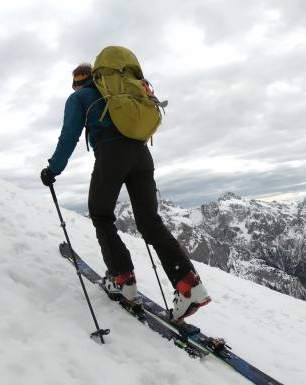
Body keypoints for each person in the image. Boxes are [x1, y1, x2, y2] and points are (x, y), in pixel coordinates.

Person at [40, 61, 211, 321]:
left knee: (100, 214)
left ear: (77, 82)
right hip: (141, 155)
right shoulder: (121, 93)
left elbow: (69, 136)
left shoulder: (79, 98)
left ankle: (123, 279)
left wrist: (53, 169)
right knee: (150, 222)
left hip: (111, 155)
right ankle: (189, 286)